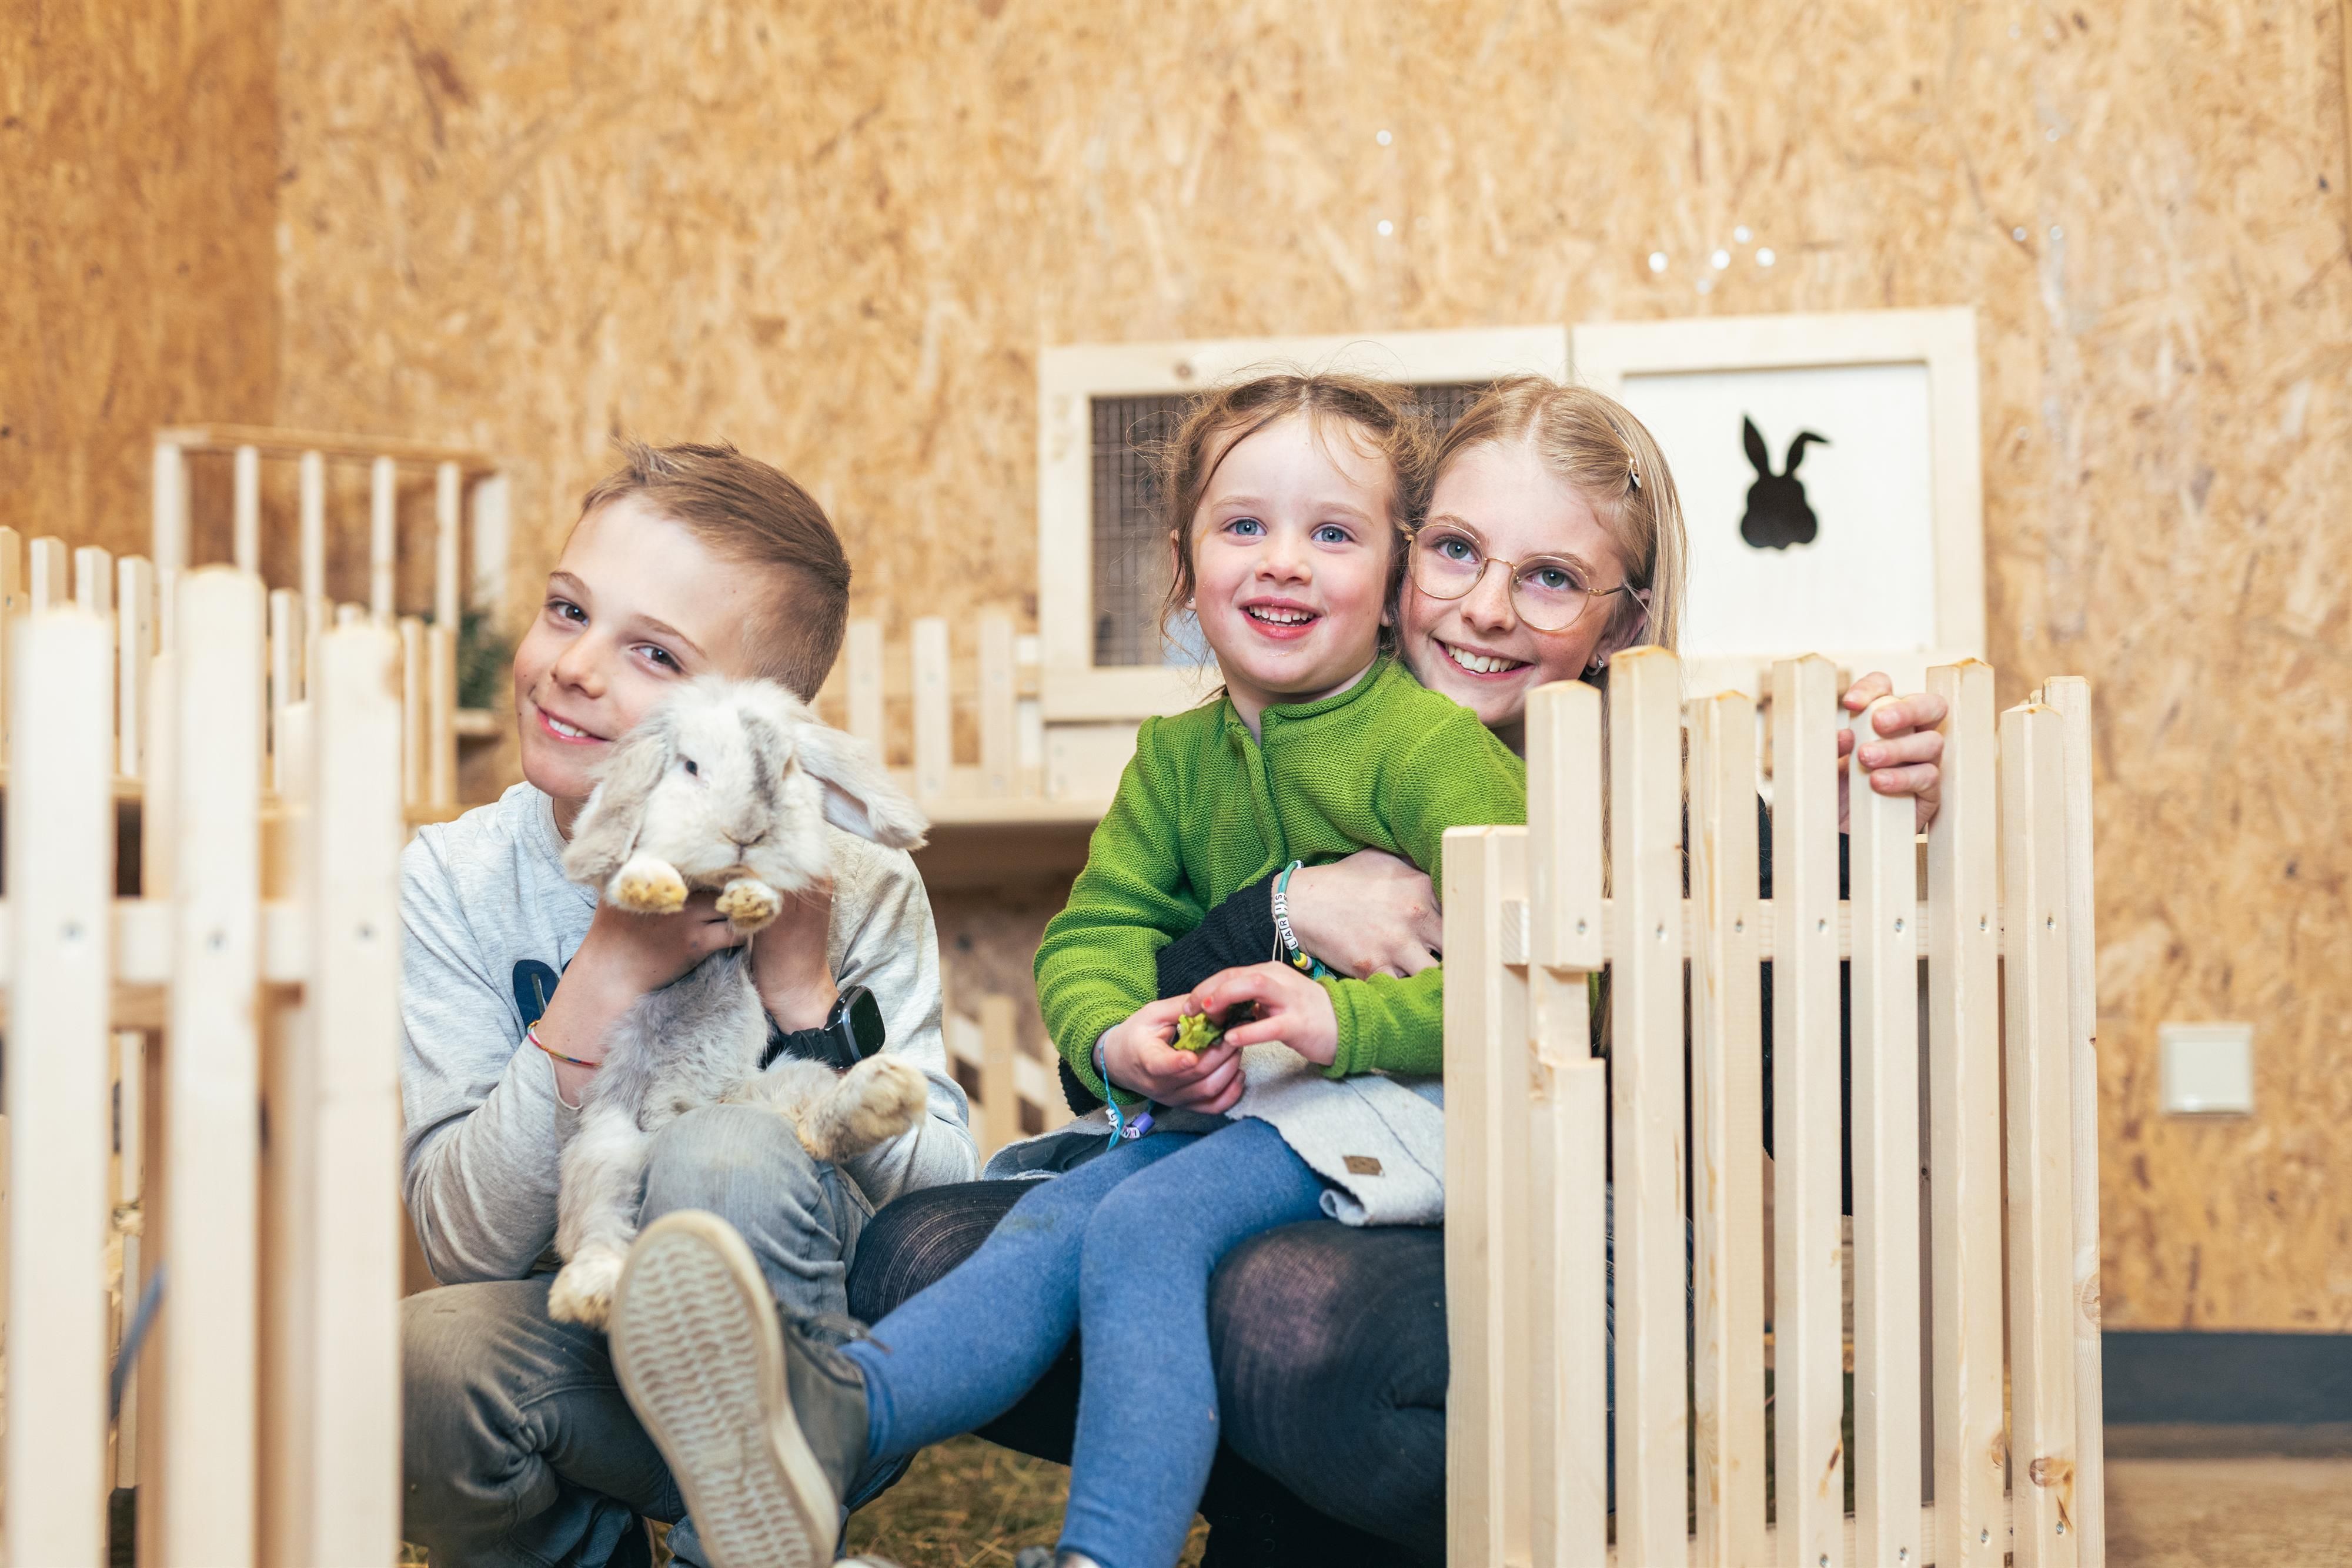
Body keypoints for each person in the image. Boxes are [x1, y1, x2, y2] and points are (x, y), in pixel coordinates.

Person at [846, 375, 1950, 1566]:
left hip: (1560, 1246)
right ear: (1403, 557)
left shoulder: (1680, 804)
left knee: (1260, 1289)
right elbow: (1118, 1007)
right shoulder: (1294, 729)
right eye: (1457, 551)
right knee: (921, 1250)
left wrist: (1841, 857)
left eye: (1550, 577)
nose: (1485, 609)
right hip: (1284, 1167)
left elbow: (1838, 1137)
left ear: (1621, 626)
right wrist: (1280, 911)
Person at [600, 369, 1534, 1568]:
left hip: (1398, 1111)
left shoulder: (1431, 749)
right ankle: (832, 1416)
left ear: (1397, 575)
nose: (1284, 562)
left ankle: (1104, 1550)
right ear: (1183, 565)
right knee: (1057, 1217)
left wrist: (1341, 1022)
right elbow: (1095, 934)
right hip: (1251, 1117)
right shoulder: (1179, 759)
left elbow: (1539, 983)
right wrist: (1116, 1036)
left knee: (1143, 1226)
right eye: (1243, 525)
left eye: (1333, 535)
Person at [397, 440, 976, 1568]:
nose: (575, 667)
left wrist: (803, 997)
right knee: (416, 1370)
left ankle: (749, 1543)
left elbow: (943, 1205)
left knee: (726, 1153)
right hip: (583, 1343)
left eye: (655, 653)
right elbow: (462, 1246)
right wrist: (603, 979)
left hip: (817, 1368)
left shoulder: (855, 884)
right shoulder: (453, 880)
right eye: (568, 611)